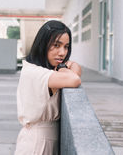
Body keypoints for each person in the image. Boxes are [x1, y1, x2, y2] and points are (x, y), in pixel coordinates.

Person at [14, 20, 81, 155]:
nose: (62, 52)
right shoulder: (36, 73)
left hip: (43, 139)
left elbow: (76, 67)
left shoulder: (38, 70)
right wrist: (63, 68)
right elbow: (75, 79)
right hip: (38, 143)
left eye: (66, 47)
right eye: (56, 45)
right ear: (43, 44)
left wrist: (62, 68)